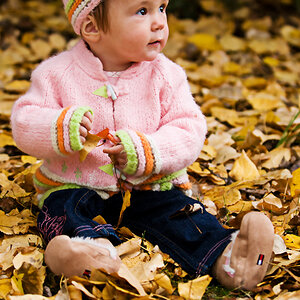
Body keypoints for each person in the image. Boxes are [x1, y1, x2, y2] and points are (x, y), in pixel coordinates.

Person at [11, 0, 274, 291]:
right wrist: (58, 126)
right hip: (75, 183)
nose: (160, 21)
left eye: (162, 7)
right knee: (65, 209)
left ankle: (230, 258)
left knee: (181, 214)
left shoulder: (166, 76)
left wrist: (149, 150)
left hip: (150, 187)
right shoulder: (55, 74)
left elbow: (188, 128)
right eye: (142, 11)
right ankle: (88, 253)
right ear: (92, 26)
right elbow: (24, 122)